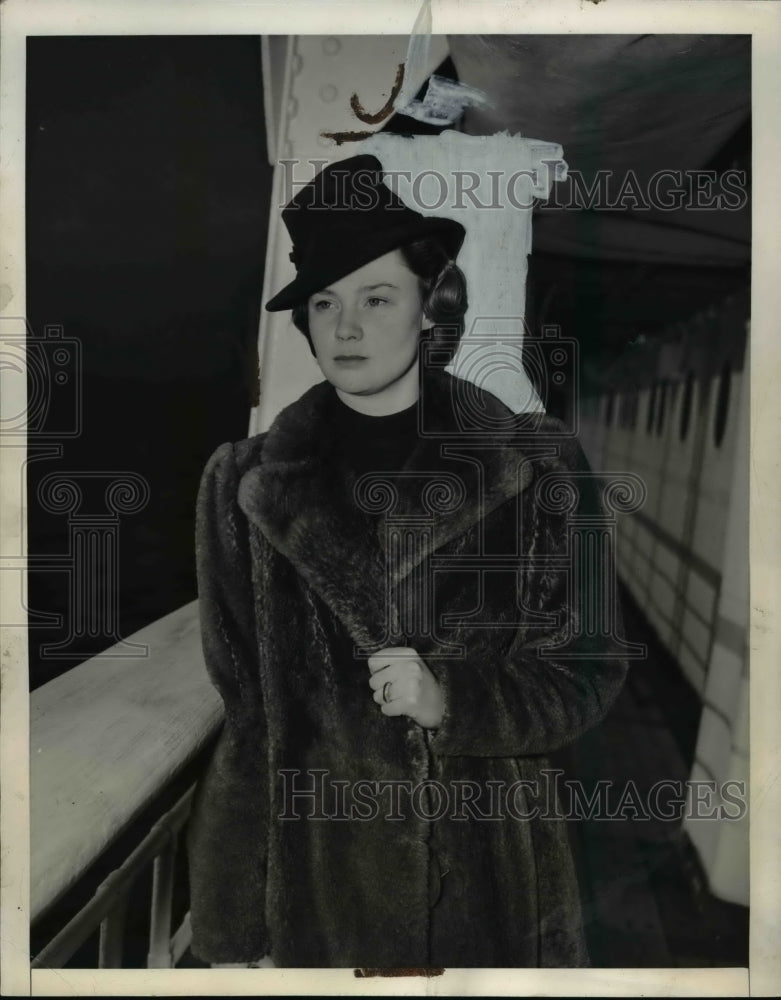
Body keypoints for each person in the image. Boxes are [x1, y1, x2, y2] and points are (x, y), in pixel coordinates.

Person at [186, 154, 629, 968]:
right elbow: (247, 717)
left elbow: (586, 672)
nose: (345, 326)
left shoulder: (535, 467)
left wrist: (449, 698)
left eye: (375, 297)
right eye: (324, 302)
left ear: (432, 309)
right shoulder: (240, 483)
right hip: (319, 891)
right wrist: (231, 925)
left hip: (488, 881)